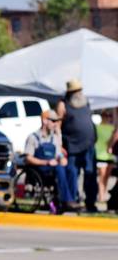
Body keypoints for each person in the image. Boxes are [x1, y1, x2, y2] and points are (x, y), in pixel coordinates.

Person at [56, 79, 98, 212]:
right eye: (76, 91)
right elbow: (57, 125)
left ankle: (91, 202)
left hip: (89, 145)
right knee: (72, 173)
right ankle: (71, 201)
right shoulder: (63, 104)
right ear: (70, 93)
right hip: (72, 145)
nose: (79, 93)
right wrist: (59, 145)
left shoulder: (86, 102)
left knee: (90, 174)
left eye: (80, 90)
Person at [24, 110, 78, 212]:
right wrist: (46, 162)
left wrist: (62, 159)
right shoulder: (33, 137)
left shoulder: (54, 138)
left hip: (53, 168)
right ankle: (66, 201)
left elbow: (59, 154)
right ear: (44, 121)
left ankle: (72, 199)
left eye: (57, 121)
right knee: (59, 169)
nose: (56, 124)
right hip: (40, 169)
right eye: (53, 121)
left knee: (71, 169)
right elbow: (28, 158)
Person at [95, 109, 116, 204]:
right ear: (102, 116)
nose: (107, 117)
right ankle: (101, 196)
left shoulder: (112, 128)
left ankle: (103, 194)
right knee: (102, 176)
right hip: (100, 154)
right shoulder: (97, 127)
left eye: (109, 115)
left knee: (107, 177)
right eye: (106, 115)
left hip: (110, 156)